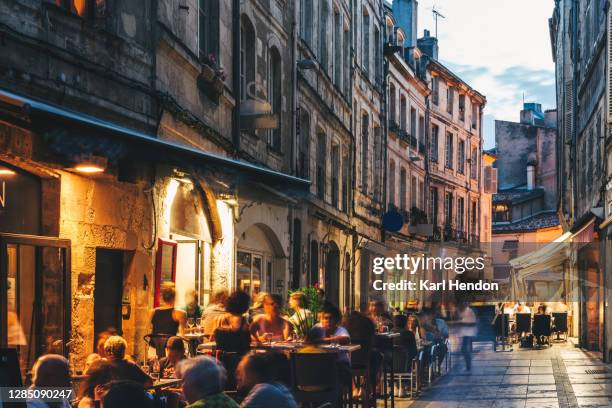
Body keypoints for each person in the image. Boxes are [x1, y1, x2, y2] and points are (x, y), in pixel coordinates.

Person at [458, 303, 477, 372]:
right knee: (464, 349)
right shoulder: (464, 311)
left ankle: (468, 365)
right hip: (465, 333)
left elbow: (473, 323)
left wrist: (462, 323)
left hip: (468, 333)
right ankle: (468, 365)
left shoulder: (469, 311)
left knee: (464, 349)